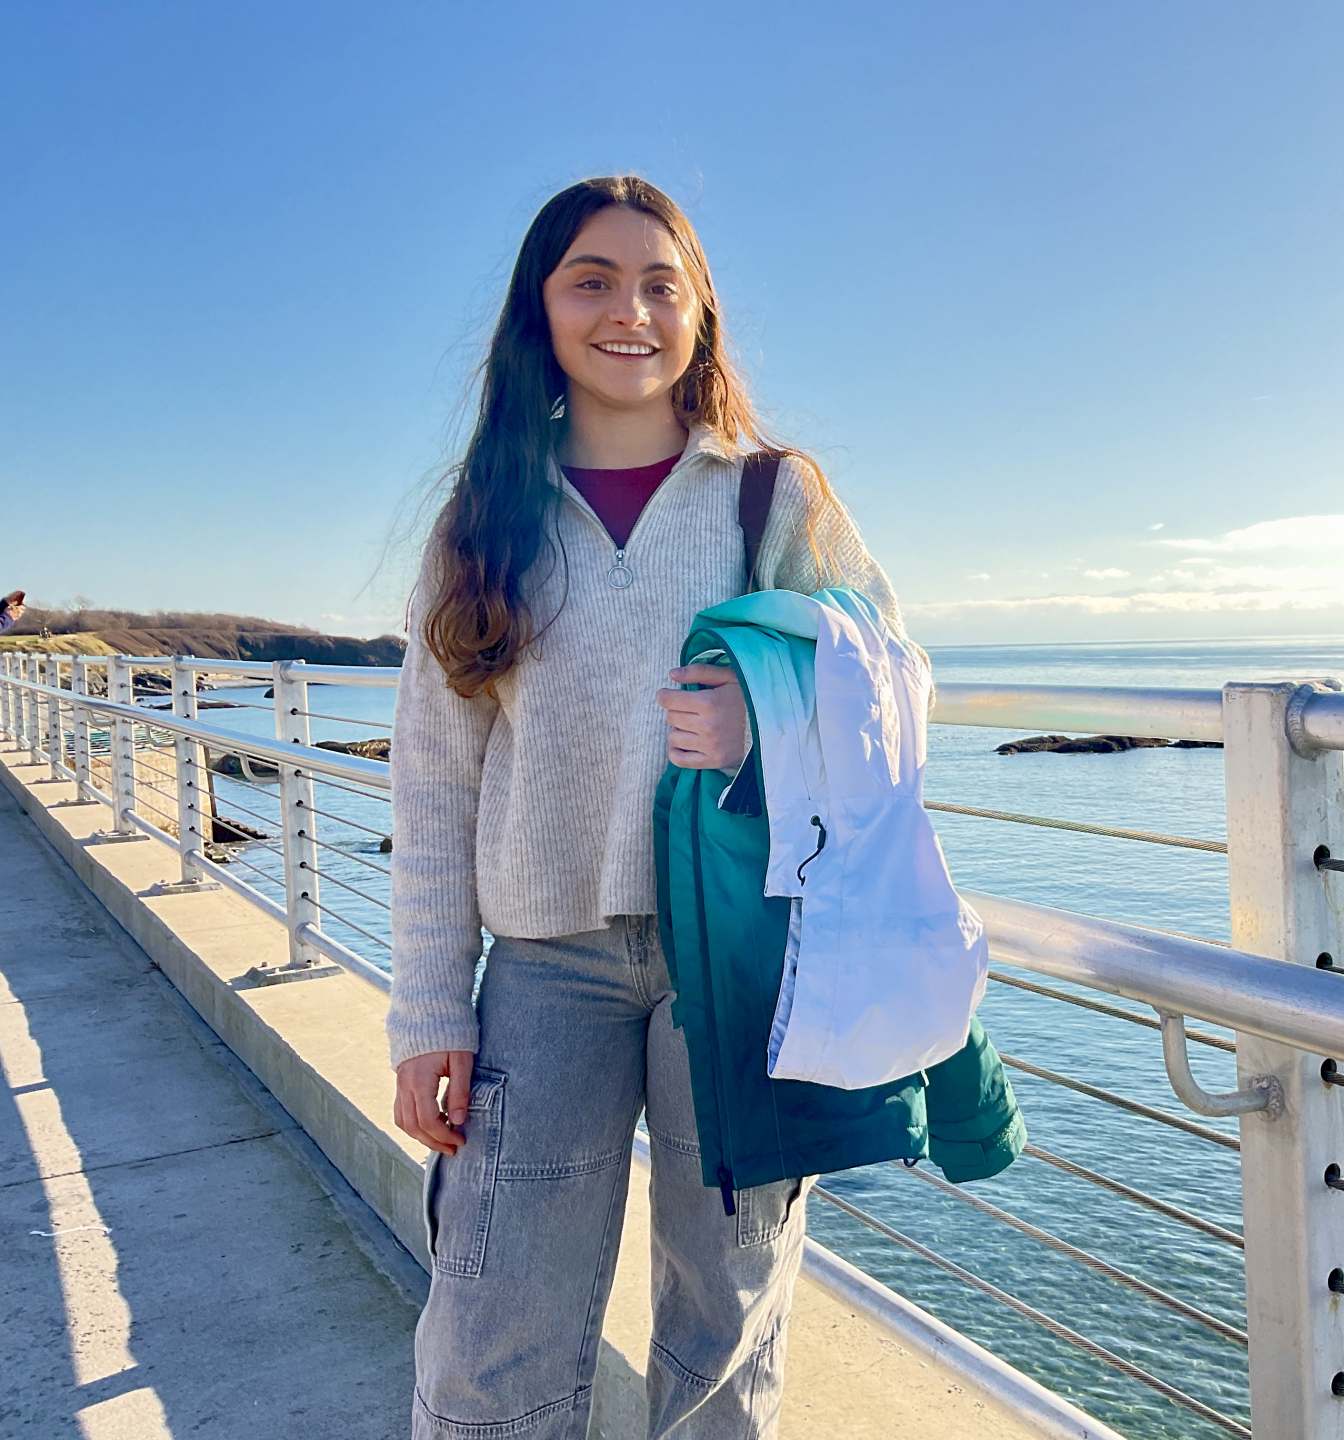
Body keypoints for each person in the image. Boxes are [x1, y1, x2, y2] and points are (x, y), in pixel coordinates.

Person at [387, 176, 920, 1440]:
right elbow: (437, 778)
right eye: (592, 280)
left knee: (721, 1332)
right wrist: (427, 1008)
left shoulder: (771, 497)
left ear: (700, 314)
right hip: (543, 968)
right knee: (487, 1331)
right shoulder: (482, 520)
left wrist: (762, 722)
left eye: (659, 285)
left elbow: (900, 686)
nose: (629, 310)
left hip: (735, 962)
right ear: (540, 309)